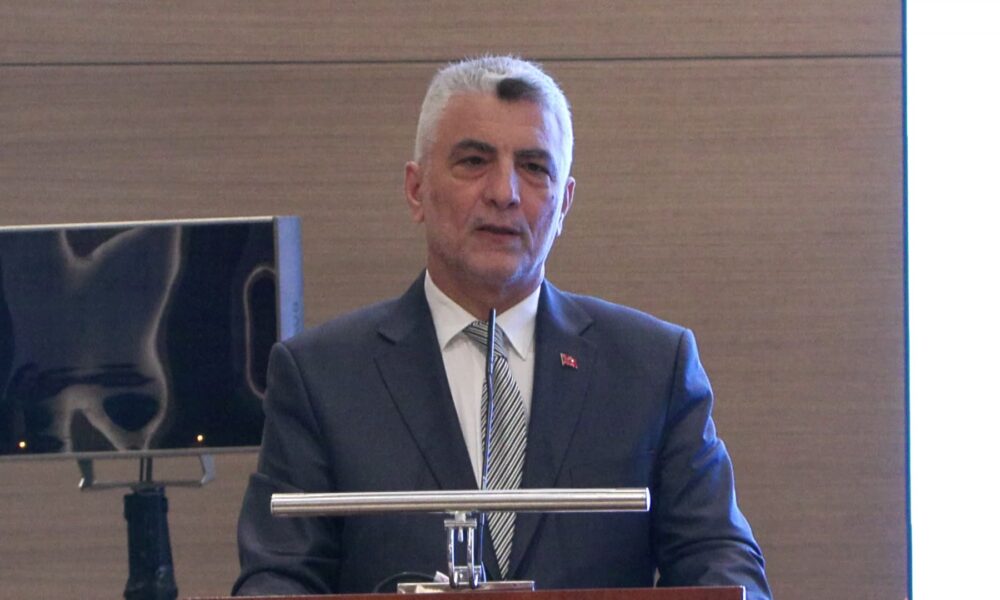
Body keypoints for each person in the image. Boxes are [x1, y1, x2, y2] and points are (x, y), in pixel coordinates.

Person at [233, 55, 771, 599]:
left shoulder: (652, 366)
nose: (505, 192)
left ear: (564, 204)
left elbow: (721, 558)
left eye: (534, 167)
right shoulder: (321, 376)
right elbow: (278, 575)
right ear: (416, 190)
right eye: (474, 161)